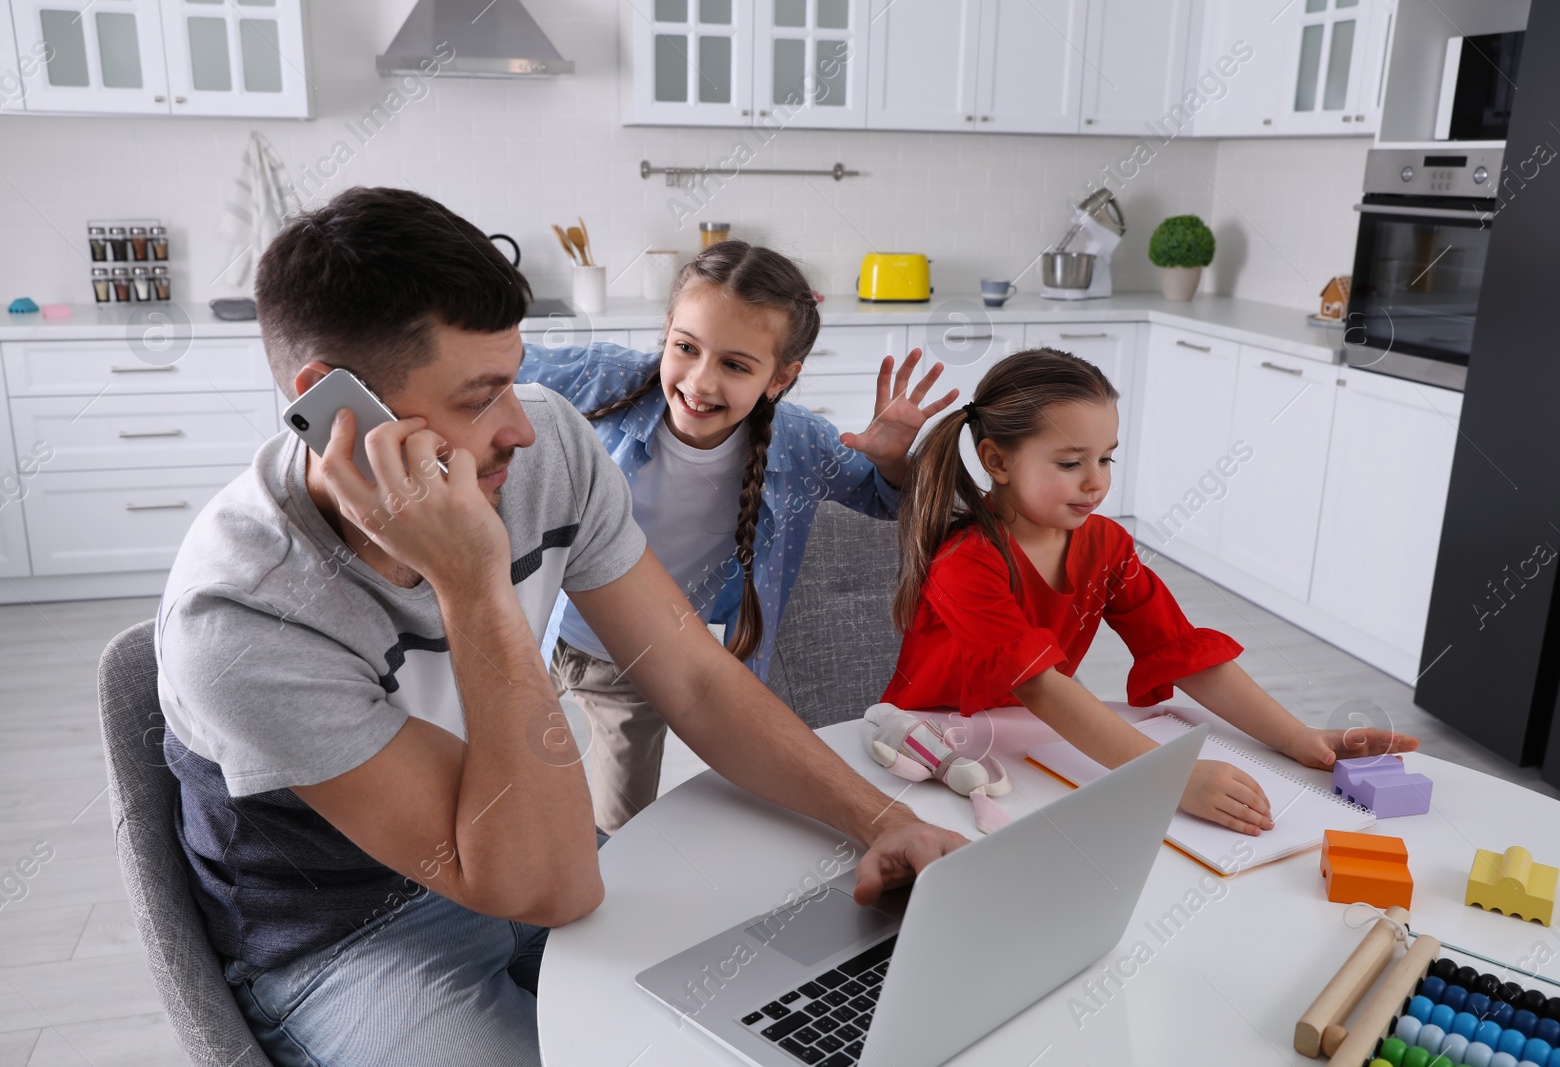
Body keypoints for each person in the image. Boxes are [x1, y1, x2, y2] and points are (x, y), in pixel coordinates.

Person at [154, 186, 967, 1067]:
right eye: (480, 395)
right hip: (350, 936)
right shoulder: (243, 617)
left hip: (519, 848)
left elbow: (690, 676)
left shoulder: (547, 444)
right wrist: (471, 581)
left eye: (515, 374)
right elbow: (551, 885)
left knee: (796, 981)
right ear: (335, 407)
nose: (524, 426)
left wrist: (879, 817)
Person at [881, 347, 1419, 834]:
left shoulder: (1107, 546)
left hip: (1030, 743)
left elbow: (1178, 650)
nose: (1096, 481)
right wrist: (1173, 776)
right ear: (997, 461)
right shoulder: (965, 563)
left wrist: (1295, 737)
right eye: (1071, 463)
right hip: (929, 750)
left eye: (1106, 458)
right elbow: (1040, 687)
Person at [519, 240, 957, 832]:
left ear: (781, 378)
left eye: (735, 365)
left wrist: (893, 464)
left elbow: (888, 503)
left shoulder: (800, 444)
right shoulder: (605, 380)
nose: (699, 381)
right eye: (686, 348)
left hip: (639, 663)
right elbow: (488, 371)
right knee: (503, 786)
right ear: (666, 334)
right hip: (535, 628)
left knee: (624, 830)